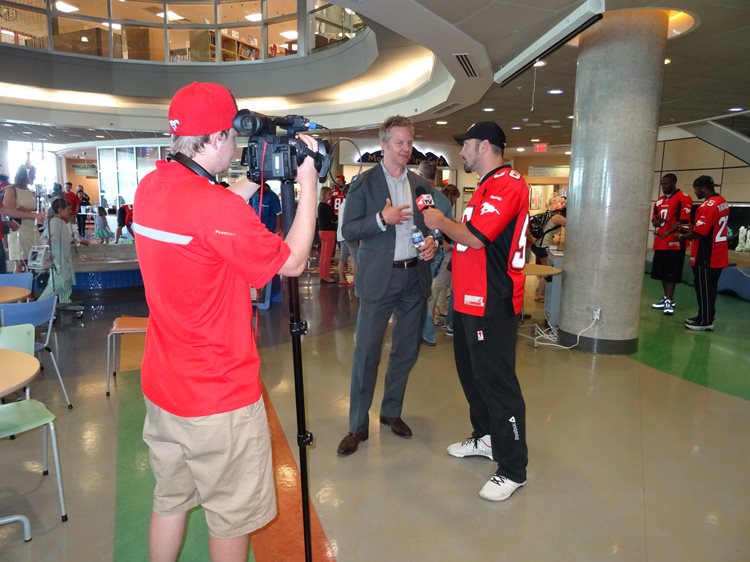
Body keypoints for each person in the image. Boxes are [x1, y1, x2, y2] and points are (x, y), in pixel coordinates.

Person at [132, 81, 319, 562]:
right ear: (216, 138)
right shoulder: (214, 208)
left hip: (164, 387)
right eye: (232, 135)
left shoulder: (152, 188)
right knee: (231, 518)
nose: (237, 144)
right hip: (218, 399)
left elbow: (206, 210)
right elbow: (293, 261)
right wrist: (310, 184)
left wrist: (257, 176)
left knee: (170, 500)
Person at [423, 121, 529, 502]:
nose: (461, 152)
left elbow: (476, 237)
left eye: (464, 145)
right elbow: (468, 245)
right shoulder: (486, 186)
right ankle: (486, 437)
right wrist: (438, 241)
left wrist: (438, 220)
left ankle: (514, 467)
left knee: (498, 384)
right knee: (472, 376)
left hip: (492, 301)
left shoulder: (508, 184)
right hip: (468, 300)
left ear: (484, 145)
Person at [337, 114, 436, 456]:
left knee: (405, 351)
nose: (406, 148)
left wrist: (433, 242)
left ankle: (391, 412)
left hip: (414, 277)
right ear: (383, 146)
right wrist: (383, 219)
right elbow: (348, 230)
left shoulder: (420, 185)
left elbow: (431, 225)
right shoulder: (364, 185)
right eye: (400, 142)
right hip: (380, 278)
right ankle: (357, 426)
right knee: (366, 353)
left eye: (410, 142)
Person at [678, 175, 729, 331]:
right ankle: (704, 316)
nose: (695, 193)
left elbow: (699, 233)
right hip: (718, 254)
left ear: (703, 188)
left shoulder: (708, 205)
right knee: (709, 289)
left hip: (706, 255)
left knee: (704, 290)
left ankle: (705, 321)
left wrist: (681, 236)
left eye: (696, 189)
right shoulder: (722, 201)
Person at [416, 160, 452, 346]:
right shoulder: (444, 201)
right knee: (424, 292)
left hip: (424, 254)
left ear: (421, 174)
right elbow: (449, 231)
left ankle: (427, 333)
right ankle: (422, 331)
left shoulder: (421, 197)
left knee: (422, 293)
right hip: (436, 254)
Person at [649, 173, 693, 315]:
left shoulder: (683, 198)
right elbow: (654, 221)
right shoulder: (660, 201)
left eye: (666, 184)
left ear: (674, 182)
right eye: (662, 184)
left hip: (675, 242)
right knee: (662, 273)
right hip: (661, 242)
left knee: (671, 273)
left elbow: (682, 220)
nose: (663, 187)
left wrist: (666, 233)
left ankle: (670, 300)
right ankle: (666, 298)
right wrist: (658, 222)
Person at [38, 198, 90, 303]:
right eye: (68, 209)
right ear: (60, 210)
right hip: (58, 258)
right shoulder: (54, 222)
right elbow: (50, 238)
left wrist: (80, 241)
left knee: (66, 282)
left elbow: (66, 238)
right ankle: (39, 304)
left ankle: (65, 301)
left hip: (63, 257)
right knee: (56, 283)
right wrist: (47, 253)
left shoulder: (61, 222)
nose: (70, 212)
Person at [3, 168, 41, 272]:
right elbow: (8, 210)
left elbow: (33, 209)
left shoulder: (30, 191)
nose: (35, 177)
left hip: (31, 228)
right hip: (18, 228)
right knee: (21, 263)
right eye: (33, 174)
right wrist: (29, 213)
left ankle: (31, 287)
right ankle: (19, 287)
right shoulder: (11, 189)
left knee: (33, 262)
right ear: (26, 176)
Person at [529, 206, 567, 302]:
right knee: (548, 271)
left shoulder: (554, 215)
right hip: (542, 246)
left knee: (546, 270)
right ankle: (539, 295)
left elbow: (548, 232)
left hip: (540, 245)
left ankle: (539, 290)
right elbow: (574, 227)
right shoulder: (559, 218)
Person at [336, 185, 357, 287]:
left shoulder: (342, 205)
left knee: (343, 258)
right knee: (357, 258)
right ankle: (356, 281)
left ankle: (342, 280)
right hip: (348, 235)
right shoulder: (350, 205)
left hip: (340, 234)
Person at [317, 186, 338, 283]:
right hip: (329, 232)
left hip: (322, 231)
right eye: (329, 194)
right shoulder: (326, 206)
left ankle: (322, 274)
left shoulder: (320, 205)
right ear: (325, 195)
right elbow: (333, 218)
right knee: (327, 256)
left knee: (323, 255)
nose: (331, 195)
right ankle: (325, 276)